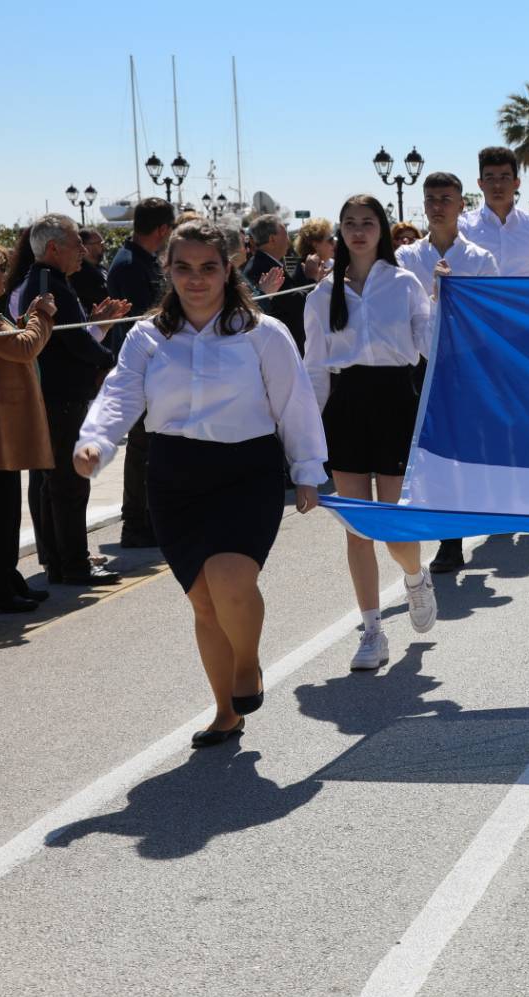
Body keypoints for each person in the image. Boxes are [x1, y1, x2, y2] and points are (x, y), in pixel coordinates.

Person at [75, 220, 328, 747]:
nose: (196, 278)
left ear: (228, 267)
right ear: (167, 270)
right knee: (205, 603)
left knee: (231, 579)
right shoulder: (147, 335)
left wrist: (307, 471)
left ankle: (249, 665)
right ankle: (224, 713)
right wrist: (97, 441)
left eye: (208, 267)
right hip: (174, 478)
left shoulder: (262, 332)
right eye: (184, 268)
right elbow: (121, 394)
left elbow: (294, 403)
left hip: (246, 472)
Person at [302, 195, 438, 672]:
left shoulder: (404, 284)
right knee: (358, 529)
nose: (358, 231)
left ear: (381, 230)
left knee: (392, 525)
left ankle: (416, 577)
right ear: (340, 232)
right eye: (350, 224)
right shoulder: (321, 295)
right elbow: (314, 368)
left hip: (395, 402)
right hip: (345, 405)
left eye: (367, 222)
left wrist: (445, 300)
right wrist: (307, 434)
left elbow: (427, 344)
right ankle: (373, 631)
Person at [396, 173, 499, 576]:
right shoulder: (405, 259)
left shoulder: (479, 260)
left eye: (446, 199)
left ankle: (451, 539)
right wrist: (433, 293)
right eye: (431, 198)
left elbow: (490, 318)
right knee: (422, 455)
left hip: (462, 366)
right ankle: (440, 535)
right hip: (416, 367)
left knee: (455, 454)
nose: (438, 205)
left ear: (460, 204)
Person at [27, 215, 132, 585]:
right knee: (68, 484)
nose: (83, 251)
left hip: (62, 396)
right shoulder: (48, 285)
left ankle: (62, 562)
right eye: (76, 244)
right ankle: (72, 564)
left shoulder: (54, 282)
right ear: (53, 248)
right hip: (60, 398)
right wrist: (112, 363)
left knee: (57, 484)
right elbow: (74, 343)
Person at [0, 244, 55, 618]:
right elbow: (23, 348)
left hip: (1, 420)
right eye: (0, 271)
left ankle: (6, 579)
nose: (5, 277)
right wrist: (41, 317)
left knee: (4, 506)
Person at [104, 196, 178, 549]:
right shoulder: (132, 265)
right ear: (163, 229)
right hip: (143, 367)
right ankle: (136, 523)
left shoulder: (141, 261)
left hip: (153, 367)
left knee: (151, 446)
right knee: (142, 447)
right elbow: (147, 319)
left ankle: (148, 517)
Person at [459, 146, 529, 277]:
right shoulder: (463, 228)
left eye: (504, 177)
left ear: (517, 183)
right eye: (490, 178)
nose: (497, 185)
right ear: (480, 183)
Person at [243, 213, 308, 350]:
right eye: (285, 234)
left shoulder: (263, 263)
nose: (288, 240)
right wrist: (312, 278)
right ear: (272, 239)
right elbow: (295, 302)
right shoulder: (265, 268)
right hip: (277, 349)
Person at [70, 228, 109, 312]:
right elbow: (103, 295)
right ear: (86, 247)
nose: (104, 246)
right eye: (100, 243)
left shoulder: (100, 268)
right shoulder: (79, 273)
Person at [294, 218, 336, 283]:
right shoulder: (304, 270)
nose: (334, 243)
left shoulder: (334, 263)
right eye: (330, 240)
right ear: (315, 245)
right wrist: (314, 280)